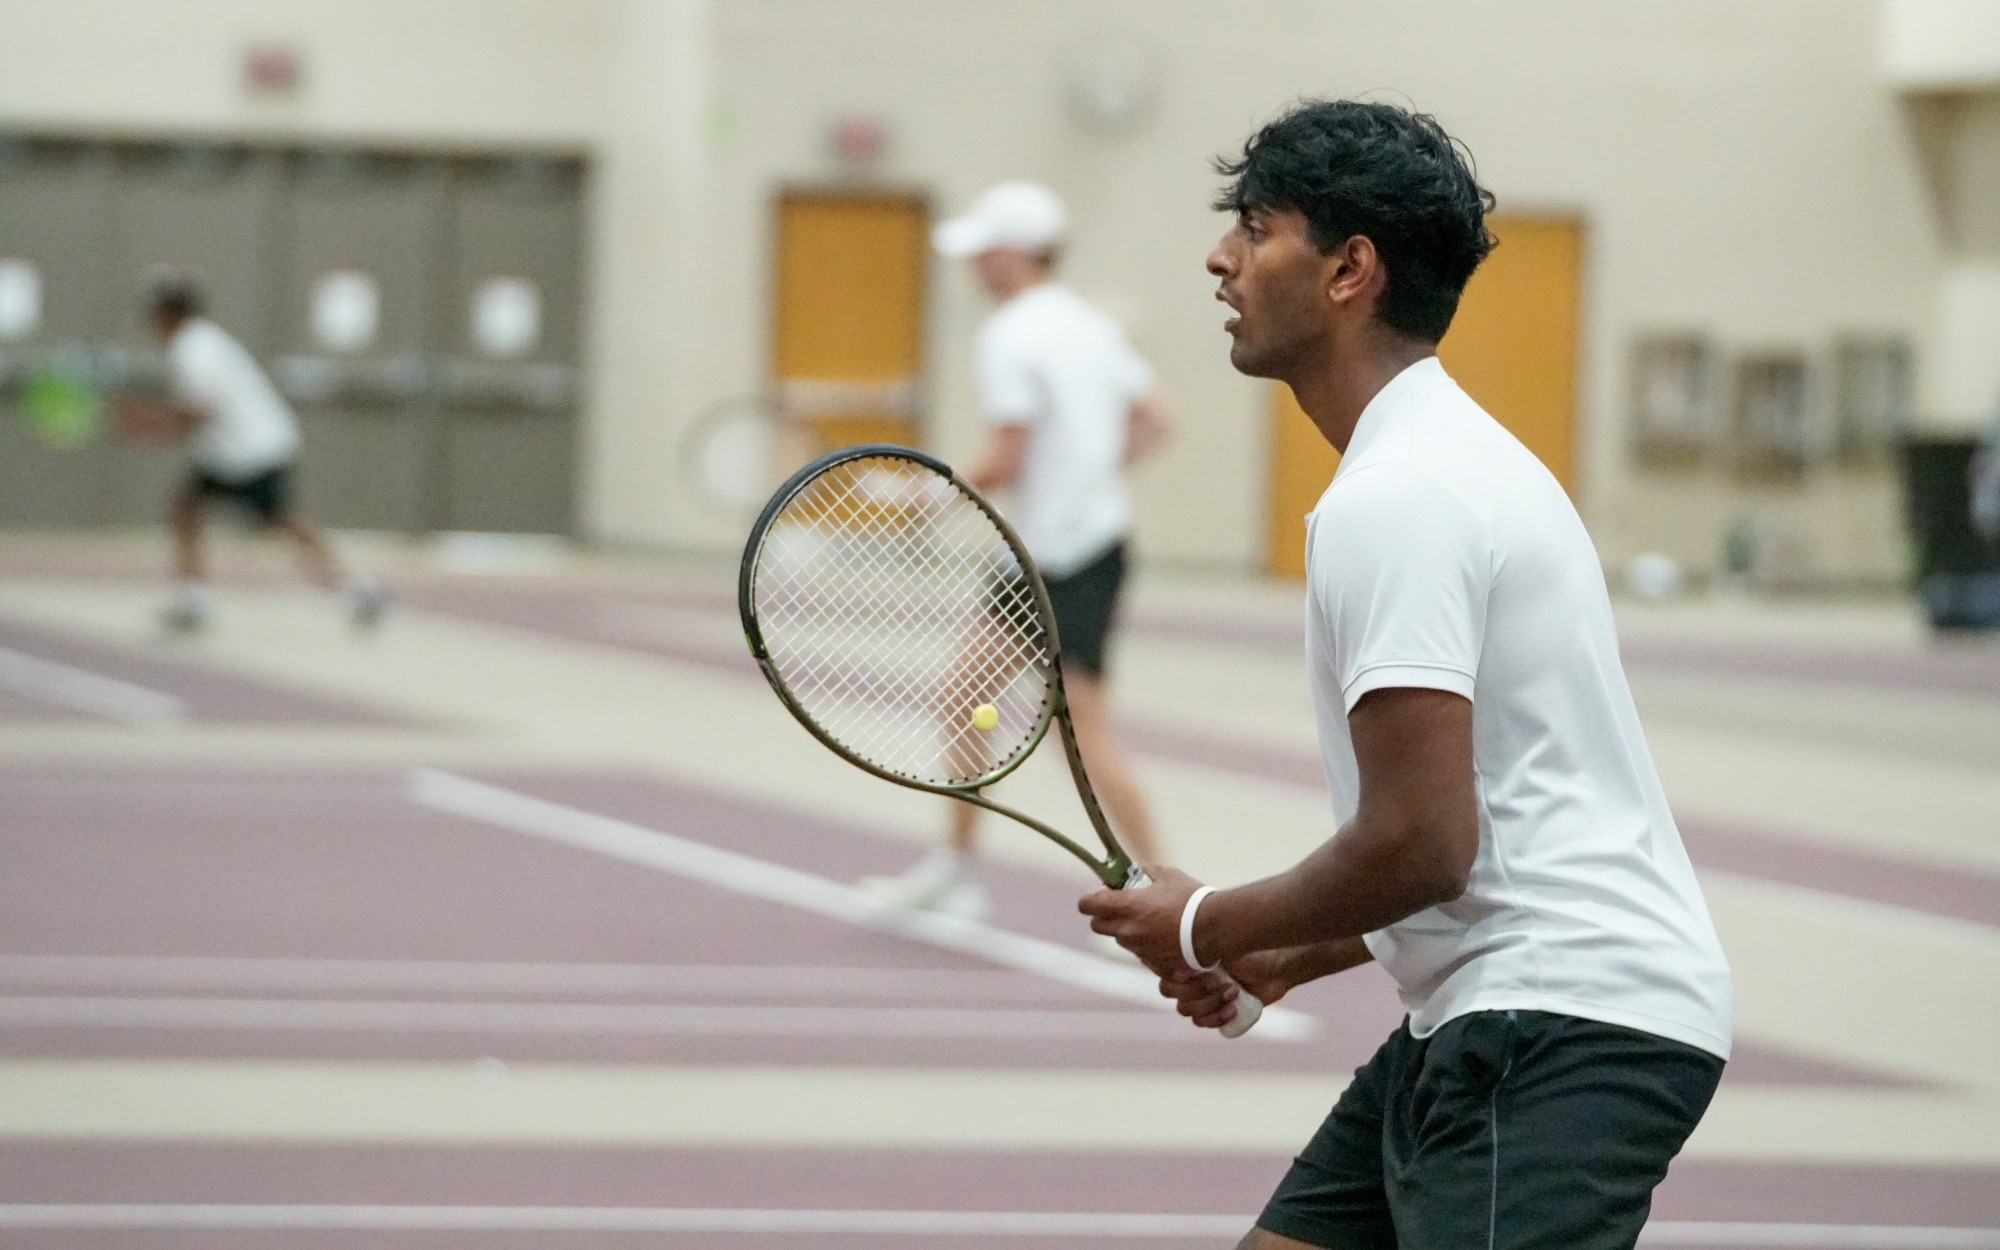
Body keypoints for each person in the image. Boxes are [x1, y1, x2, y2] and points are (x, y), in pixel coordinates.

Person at [1081, 100, 1732, 1248]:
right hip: (1493, 1009)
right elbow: (1478, 825)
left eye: (1255, 226)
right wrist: (1284, 948)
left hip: (1552, 1026)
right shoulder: (1437, 460)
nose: (1217, 255)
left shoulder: (1403, 494)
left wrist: (1203, 920)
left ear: (1348, 271)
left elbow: (1422, 839)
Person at [858, 182, 1174, 920]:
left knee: (1082, 736)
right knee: (968, 703)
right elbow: (1156, 420)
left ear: (1008, 256)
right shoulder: (1091, 326)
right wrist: (1086, 480)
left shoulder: (1010, 335)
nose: (972, 266)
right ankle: (956, 872)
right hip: (1056, 552)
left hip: (1065, 562)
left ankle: (1164, 893)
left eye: (980, 252)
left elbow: (1006, 452)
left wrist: (918, 500)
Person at [124, 270, 382, 633]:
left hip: (254, 451)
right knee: (185, 508)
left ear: (171, 312)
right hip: (229, 453)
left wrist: (151, 424)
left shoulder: (194, 348)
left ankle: (356, 590)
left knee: (283, 522)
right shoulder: (201, 343)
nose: (151, 321)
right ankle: (192, 599)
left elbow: (200, 411)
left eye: (156, 311)